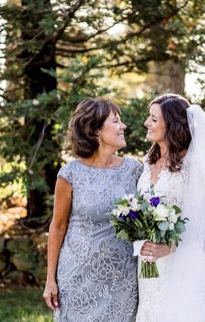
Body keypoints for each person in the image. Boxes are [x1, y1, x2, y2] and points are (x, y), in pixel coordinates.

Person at [43, 98, 142, 321]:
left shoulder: (134, 170)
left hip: (123, 279)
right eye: (116, 121)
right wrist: (50, 279)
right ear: (96, 131)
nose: (123, 126)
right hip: (78, 278)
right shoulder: (70, 174)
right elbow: (57, 227)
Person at [134, 94, 205, 322]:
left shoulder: (192, 166)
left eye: (154, 119)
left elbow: (201, 222)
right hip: (149, 262)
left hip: (180, 259)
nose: (147, 122)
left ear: (172, 125)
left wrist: (169, 247)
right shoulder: (148, 161)